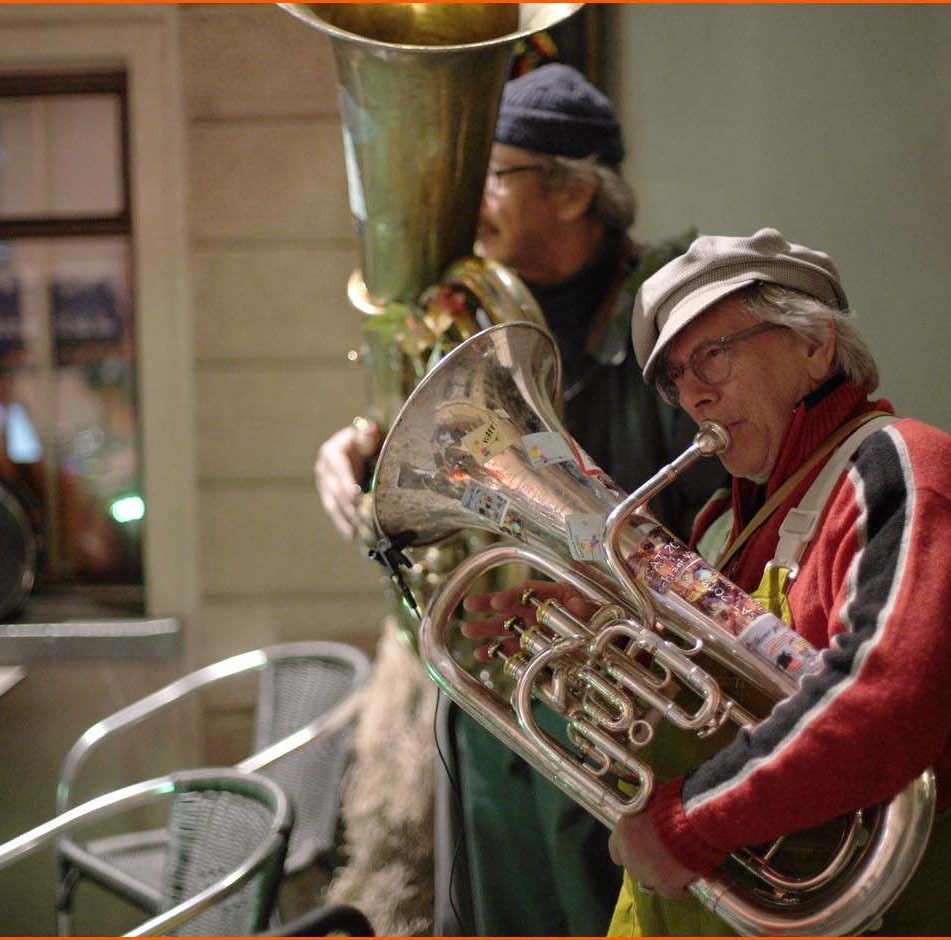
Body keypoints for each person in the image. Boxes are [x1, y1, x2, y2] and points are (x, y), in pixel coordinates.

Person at [465, 227, 951, 936]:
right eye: (674, 378)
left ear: (815, 346)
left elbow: (885, 706)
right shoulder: (721, 521)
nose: (693, 395)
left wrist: (690, 822)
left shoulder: (904, 469)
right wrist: (603, 636)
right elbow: (713, 707)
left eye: (712, 355)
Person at [316, 63, 727, 936]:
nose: (467, 205)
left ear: (575, 192)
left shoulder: (674, 319)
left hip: (635, 711)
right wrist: (365, 446)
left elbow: (727, 522)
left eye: (494, 175)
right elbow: (434, 456)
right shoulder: (468, 316)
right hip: (503, 693)